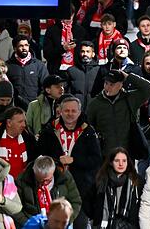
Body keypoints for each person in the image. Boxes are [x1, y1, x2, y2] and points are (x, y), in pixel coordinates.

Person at [36, 96, 101, 229]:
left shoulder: (88, 131)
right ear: (60, 111)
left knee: (79, 224)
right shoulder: (49, 130)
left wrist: (74, 161)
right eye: (66, 111)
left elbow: (96, 160)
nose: (70, 114)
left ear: (79, 112)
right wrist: (56, 162)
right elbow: (40, 155)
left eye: (73, 111)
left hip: (81, 189)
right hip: (55, 186)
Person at [86, 68, 150, 156]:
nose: (108, 87)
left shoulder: (130, 98)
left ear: (120, 85)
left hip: (127, 153)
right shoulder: (95, 103)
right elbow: (89, 126)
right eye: (106, 83)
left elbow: (149, 89)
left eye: (112, 84)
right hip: (105, 155)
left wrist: (128, 76)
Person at [14, 156, 82, 227]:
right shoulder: (22, 180)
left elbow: (76, 202)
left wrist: (64, 221)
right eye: (40, 180)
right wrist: (30, 224)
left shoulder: (64, 177)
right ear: (34, 172)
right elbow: (16, 209)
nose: (44, 184)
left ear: (53, 171)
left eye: (47, 180)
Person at [84, 147, 143, 229]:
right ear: (111, 162)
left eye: (124, 161)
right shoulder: (101, 180)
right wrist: (96, 217)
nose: (121, 164)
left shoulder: (137, 181)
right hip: (104, 226)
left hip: (130, 226)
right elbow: (87, 202)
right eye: (117, 161)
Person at [6, 35, 50, 107]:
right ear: (14, 48)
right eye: (21, 46)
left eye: (26, 45)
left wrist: (39, 102)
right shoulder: (8, 66)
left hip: (35, 106)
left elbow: (45, 86)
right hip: (15, 108)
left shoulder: (39, 65)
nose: (24, 48)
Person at [43, 8, 88, 74]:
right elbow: (46, 54)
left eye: (71, 15)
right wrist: (63, 48)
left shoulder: (81, 30)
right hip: (57, 70)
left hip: (76, 71)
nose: (68, 18)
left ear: (74, 14)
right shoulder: (52, 30)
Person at [64, 41, 100, 111]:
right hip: (75, 111)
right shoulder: (71, 71)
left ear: (93, 54)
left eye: (88, 51)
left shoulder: (99, 71)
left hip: (94, 110)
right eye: (83, 51)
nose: (85, 54)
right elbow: (66, 92)